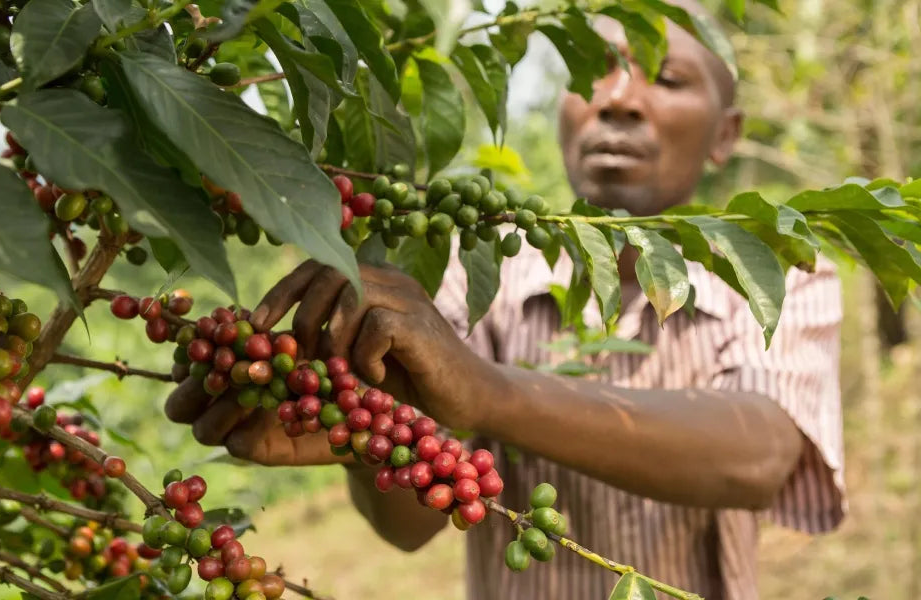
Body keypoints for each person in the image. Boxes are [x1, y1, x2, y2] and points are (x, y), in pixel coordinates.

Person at [164, 2, 845, 599]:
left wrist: (488, 393)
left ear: (726, 134)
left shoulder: (778, 276)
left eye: (666, 80)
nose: (619, 99)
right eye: (592, 73)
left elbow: (760, 455)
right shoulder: (475, 270)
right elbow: (412, 524)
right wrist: (369, 416)